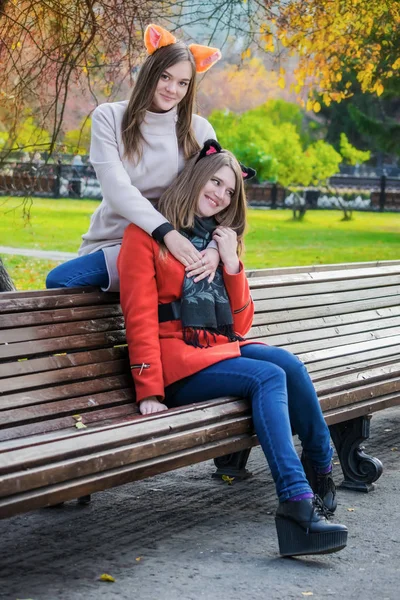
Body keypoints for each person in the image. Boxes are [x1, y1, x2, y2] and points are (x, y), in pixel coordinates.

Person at [117, 140, 348, 558]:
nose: (221, 195)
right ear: (195, 178)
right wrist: (149, 388)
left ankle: (321, 467)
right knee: (268, 375)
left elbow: (240, 325)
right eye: (216, 182)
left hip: (215, 349)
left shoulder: (218, 240)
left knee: (288, 364)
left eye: (229, 191)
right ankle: (297, 506)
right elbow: (138, 316)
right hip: (176, 364)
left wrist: (231, 263)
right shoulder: (144, 235)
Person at [46, 24, 223, 292]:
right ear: (150, 72)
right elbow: (117, 189)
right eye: (165, 77)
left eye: (182, 83)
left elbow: (219, 196)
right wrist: (166, 232)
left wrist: (213, 249)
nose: (172, 89)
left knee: (63, 282)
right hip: (116, 240)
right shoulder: (109, 117)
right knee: (62, 281)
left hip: (174, 247)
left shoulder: (200, 131)